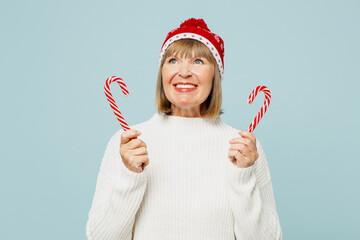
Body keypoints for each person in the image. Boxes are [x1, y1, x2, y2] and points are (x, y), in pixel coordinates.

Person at [86, 18, 282, 240]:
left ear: (215, 75)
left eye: (198, 61)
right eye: (173, 60)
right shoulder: (128, 145)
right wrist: (130, 176)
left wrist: (243, 176)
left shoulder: (244, 150)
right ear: (162, 73)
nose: (184, 71)